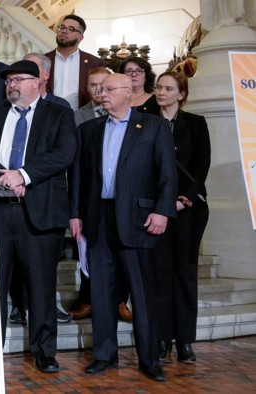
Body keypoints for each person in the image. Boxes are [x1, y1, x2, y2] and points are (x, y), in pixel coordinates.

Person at [0, 60, 77, 373]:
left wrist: (23, 175)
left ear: (36, 82)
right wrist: (2, 176)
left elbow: (64, 154)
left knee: (41, 286)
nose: (10, 85)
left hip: (39, 214)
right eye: (8, 81)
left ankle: (44, 352)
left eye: (17, 80)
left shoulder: (58, 114)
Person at [69, 73, 177, 382]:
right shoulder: (88, 130)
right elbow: (78, 177)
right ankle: (104, 356)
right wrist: (75, 214)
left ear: (128, 92)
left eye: (109, 89)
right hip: (98, 219)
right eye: (100, 89)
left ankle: (149, 360)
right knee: (102, 293)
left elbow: (167, 174)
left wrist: (162, 211)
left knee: (142, 295)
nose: (102, 94)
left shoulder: (153, 126)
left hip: (139, 220)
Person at [152, 71, 211, 364]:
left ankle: (185, 340)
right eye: (158, 87)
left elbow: (200, 167)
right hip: (156, 209)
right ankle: (162, 337)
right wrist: (162, 202)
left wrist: (183, 199)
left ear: (181, 94)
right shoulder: (145, 121)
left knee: (185, 274)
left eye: (168, 88)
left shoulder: (196, 124)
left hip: (189, 211)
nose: (161, 92)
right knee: (160, 274)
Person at [68, 66, 112, 321]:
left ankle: (117, 300)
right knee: (89, 252)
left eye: (102, 84)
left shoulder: (132, 117)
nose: (98, 89)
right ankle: (88, 299)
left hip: (117, 197)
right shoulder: (77, 117)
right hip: (89, 196)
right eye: (93, 84)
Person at [45, 14, 105, 110]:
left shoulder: (94, 63)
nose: (64, 31)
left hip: (81, 118)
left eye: (71, 29)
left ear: (80, 37)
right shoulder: (44, 59)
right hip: (48, 116)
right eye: (62, 27)